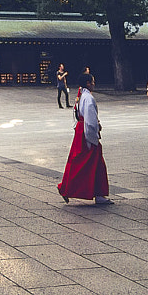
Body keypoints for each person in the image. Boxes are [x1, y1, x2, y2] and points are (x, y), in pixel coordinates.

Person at [57, 69, 112, 205]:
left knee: (80, 162)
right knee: (88, 164)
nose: (94, 84)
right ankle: (94, 193)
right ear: (88, 83)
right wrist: (93, 136)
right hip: (86, 133)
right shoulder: (88, 98)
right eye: (92, 82)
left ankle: (96, 193)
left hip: (81, 131)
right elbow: (91, 120)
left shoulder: (81, 96)